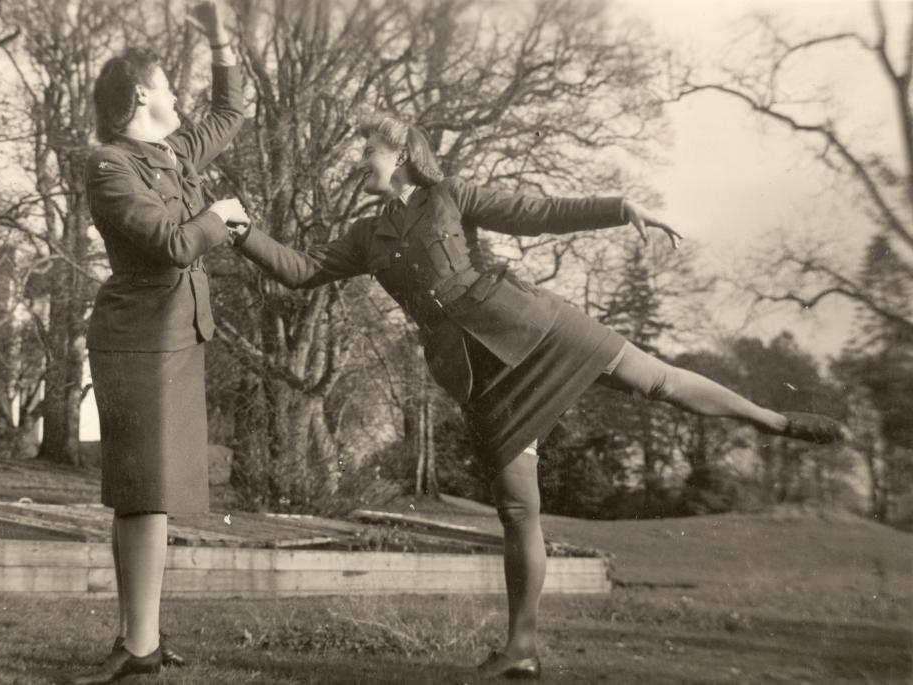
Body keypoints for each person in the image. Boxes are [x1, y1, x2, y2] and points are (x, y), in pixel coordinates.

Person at [226, 113, 847, 680]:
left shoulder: (451, 194)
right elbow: (301, 269)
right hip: (478, 375)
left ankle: (772, 420)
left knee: (656, 379)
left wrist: (619, 205)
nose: (360, 159)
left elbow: (538, 211)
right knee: (519, 512)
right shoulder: (365, 237)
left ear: (405, 153)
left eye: (369, 149)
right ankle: (521, 650)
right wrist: (239, 228)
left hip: (533, 326)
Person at [65, 2, 246, 682]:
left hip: (174, 338)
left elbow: (231, 115)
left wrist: (221, 40)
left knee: (153, 493)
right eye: (169, 85)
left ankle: (140, 638)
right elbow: (171, 243)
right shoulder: (108, 166)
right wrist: (219, 215)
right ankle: (136, 645)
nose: (178, 96)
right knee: (141, 494)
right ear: (142, 94)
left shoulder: (169, 152)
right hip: (136, 342)